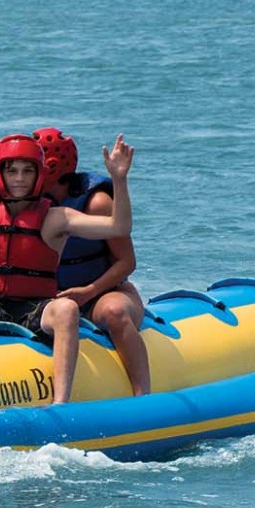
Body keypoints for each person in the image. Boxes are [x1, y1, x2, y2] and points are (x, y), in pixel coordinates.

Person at [0, 132, 136, 404]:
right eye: (12, 171)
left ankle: (60, 403)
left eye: (28, 171)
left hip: (32, 309)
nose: (20, 178)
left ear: (40, 175)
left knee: (66, 310)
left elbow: (119, 227)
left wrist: (119, 179)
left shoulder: (57, 218)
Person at [32, 127, 152, 396]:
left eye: (31, 166)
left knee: (115, 313)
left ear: (50, 167)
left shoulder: (96, 203)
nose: (24, 174)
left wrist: (88, 292)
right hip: (57, 299)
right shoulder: (33, 204)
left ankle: (143, 394)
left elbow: (126, 262)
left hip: (105, 293)